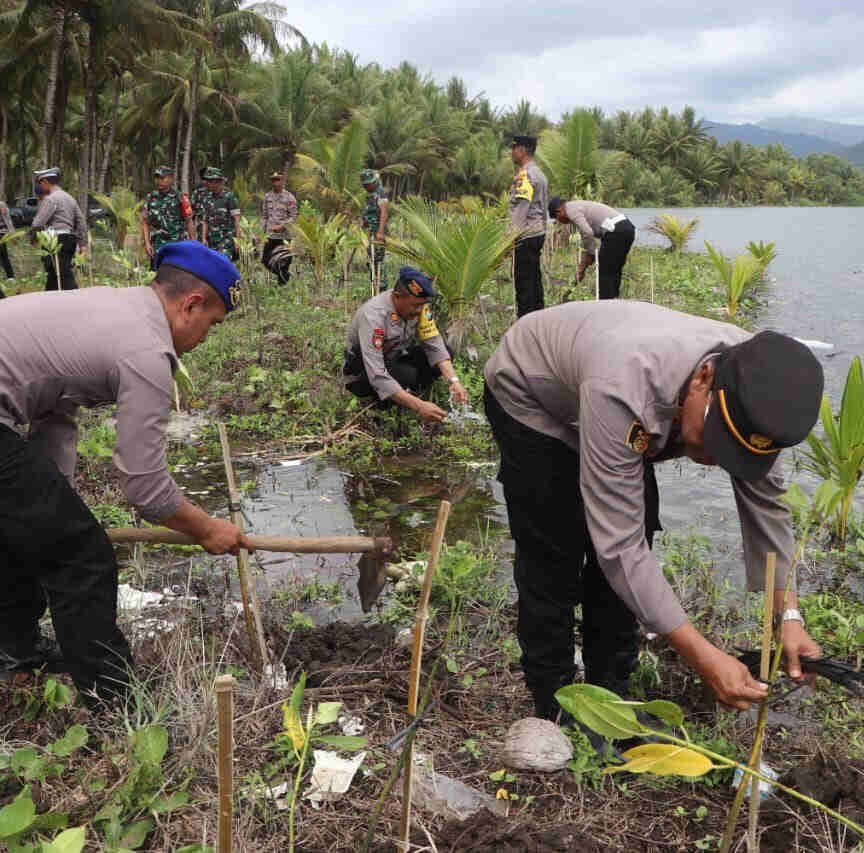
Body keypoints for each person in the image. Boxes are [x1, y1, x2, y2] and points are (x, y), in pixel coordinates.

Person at [0, 241, 247, 708]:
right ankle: (116, 704)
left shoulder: (117, 306)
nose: (205, 339)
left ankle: (21, 655)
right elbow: (146, 487)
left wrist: (53, 499)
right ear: (191, 304)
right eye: (211, 324)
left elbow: (55, 406)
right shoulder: (146, 351)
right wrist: (207, 528)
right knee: (82, 556)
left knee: (21, 528)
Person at [483, 300, 826, 721]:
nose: (715, 460)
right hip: (533, 395)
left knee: (637, 529)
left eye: (733, 454)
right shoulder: (625, 385)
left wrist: (788, 615)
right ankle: (555, 702)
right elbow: (620, 548)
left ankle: (611, 698)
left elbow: (767, 509)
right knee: (554, 549)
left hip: (616, 394)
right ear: (704, 378)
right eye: (716, 441)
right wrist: (702, 655)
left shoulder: (762, 392)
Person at [343, 266, 469, 422]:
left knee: (445, 352)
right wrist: (419, 406)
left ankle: (406, 394)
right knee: (406, 375)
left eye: (423, 304)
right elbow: (376, 373)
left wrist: (454, 381)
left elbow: (434, 344)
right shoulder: (374, 316)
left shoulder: (419, 307)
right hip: (363, 371)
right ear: (397, 297)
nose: (420, 310)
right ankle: (382, 407)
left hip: (393, 358)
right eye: (416, 305)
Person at [548, 197, 635, 299]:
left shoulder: (571, 211)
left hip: (616, 231)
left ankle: (606, 304)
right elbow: (588, 238)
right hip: (627, 229)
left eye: (558, 219)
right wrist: (588, 257)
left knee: (605, 272)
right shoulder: (575, 206)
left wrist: (591, 254)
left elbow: (587, 233)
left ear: (559, 212)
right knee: (613, 270)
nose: (561, 222)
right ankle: (613, 301)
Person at [507, 133, 548, 317]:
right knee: (534, 282)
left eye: (514, 148)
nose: (512, 152)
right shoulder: (540, 174)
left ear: (522, 150)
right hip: (537, 232)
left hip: (525, 235)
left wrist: (509, 239)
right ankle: (539, 319)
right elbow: (543, 207)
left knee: (524, 285)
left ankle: (525, 323)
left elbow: (521, 210)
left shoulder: (526, 176)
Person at [29, 168, 87, 291]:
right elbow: (81, 222)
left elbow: (37, 223)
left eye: (40, 184)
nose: (41, 187)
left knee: (63, 275)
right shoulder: (70, 198)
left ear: (45, 182)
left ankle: (76, 298)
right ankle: (50, 299)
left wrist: (34, 237)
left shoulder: (51, 199)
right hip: (69, 239)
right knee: (55, 275)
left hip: (54, 240)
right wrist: (82, 244)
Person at [142, 166, 194, 258]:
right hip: (157, 246)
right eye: (157, 178)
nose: (159, 181)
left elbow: (189, 221)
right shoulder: (150, 197)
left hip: (177, 246)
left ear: (171, 179)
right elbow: (145, 222)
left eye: (162, 178)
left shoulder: (181, 197)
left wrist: (193, 244)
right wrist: (147, 243)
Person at [195, 167, 241, 262]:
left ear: (220, 182)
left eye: (214, 181)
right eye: (209, 181)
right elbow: (205, 221)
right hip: (211, 241)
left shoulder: (229, 197)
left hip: (226, 240)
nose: (211, 184)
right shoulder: (206, 198)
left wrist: (238, 240)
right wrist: (203, 239)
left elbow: (237, 220)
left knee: (223, 262)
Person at [259, 172, 297, 285]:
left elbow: (294, 217)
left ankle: (282, 286)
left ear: (282, 181)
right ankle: (284, 275)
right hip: (270, 236)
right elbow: (264, 216)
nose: (275, 182)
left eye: (278, 180)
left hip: (284, 236)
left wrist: (282, 226)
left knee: (284, 262)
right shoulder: (267, 197)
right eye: (273, 180)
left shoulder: (289, 197)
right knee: (265, 260)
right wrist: (261, 232)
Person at [360, 168, 389, 291]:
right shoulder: (369, 194)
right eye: (364, 185)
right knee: (371, 259)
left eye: (368, 184)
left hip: (377, 231)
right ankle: (374, 285)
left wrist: (381, 232)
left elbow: (384, 213)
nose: (366, 186)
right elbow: (368, 211)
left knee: (378, 259)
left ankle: (382, 288)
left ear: (374, 182)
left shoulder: (380, 192)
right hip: (369, 231)